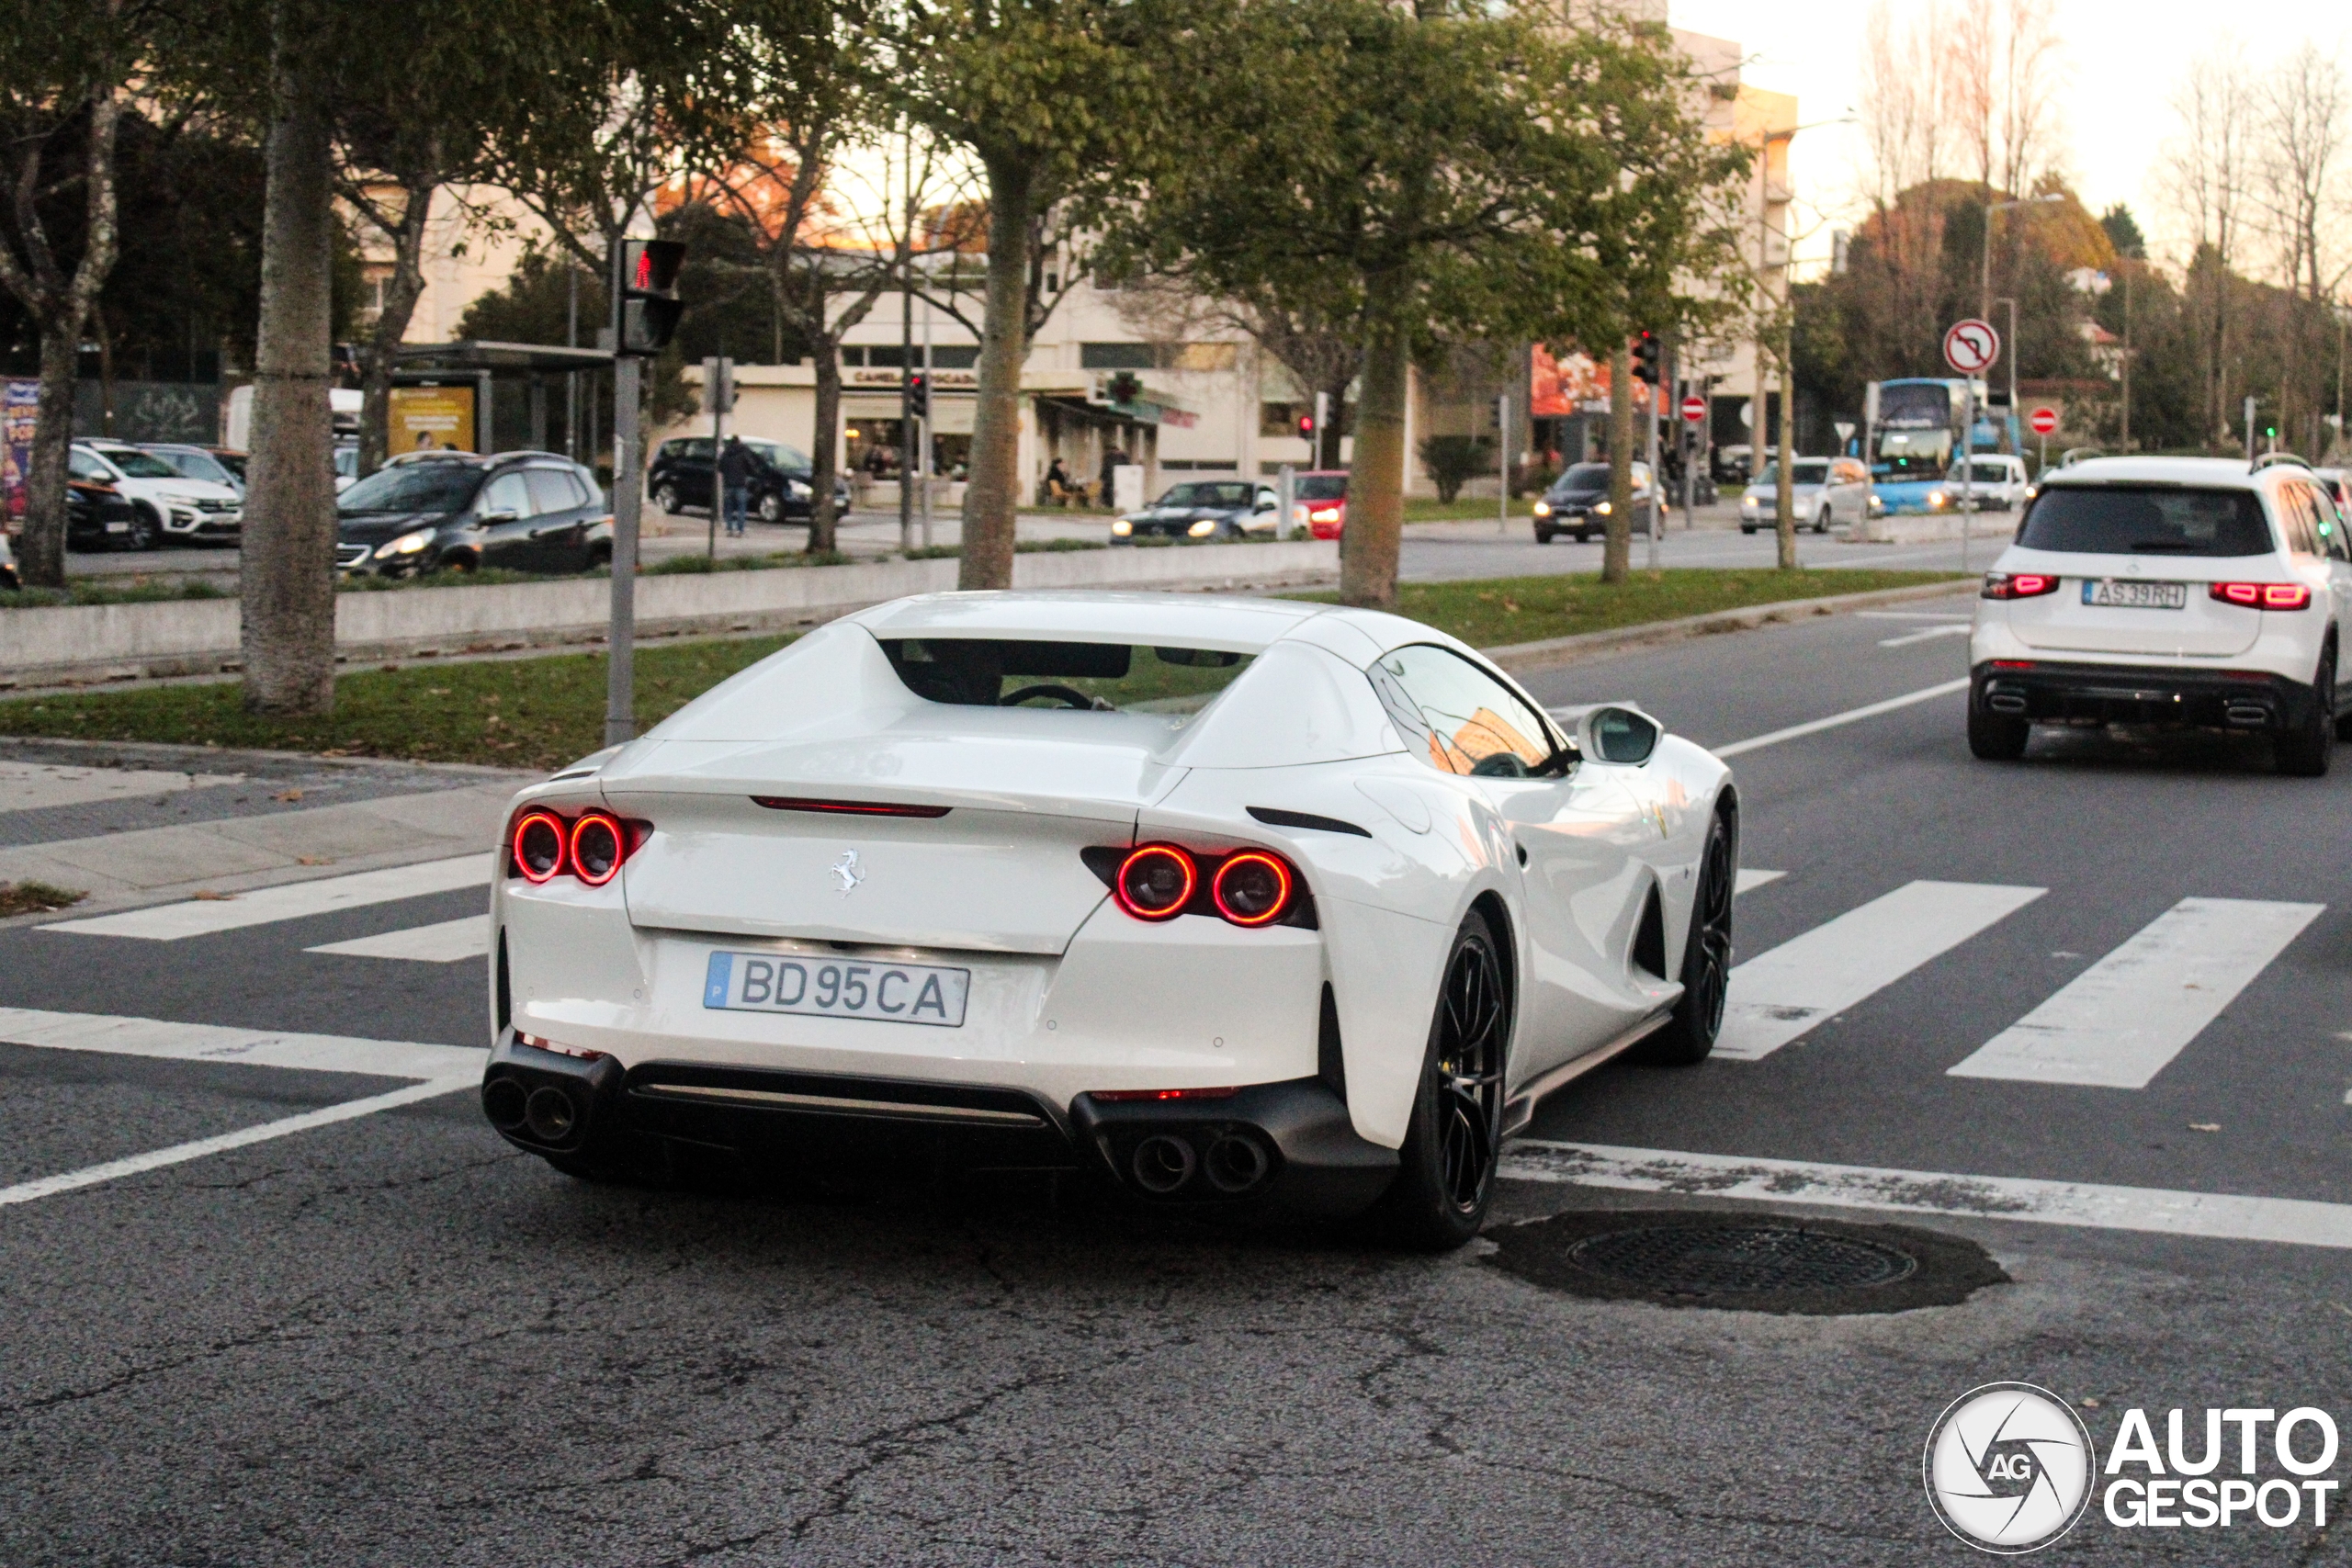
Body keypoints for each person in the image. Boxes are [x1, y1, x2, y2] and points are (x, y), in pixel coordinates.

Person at [718, 435, 754, 537]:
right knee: (741, 508)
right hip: (741, 485)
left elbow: (720, 468)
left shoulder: (725, 453)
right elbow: (751, 466)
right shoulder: (744, 453)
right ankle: (740, 530)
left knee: (729, 508)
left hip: (728, 484)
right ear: (739, 442)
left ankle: (729, 529)